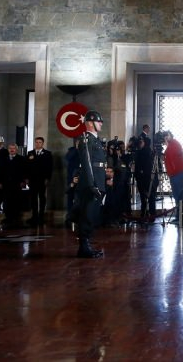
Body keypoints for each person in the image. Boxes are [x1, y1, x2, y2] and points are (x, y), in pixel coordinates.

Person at [74, 110, 110, 258]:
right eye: (98, 121)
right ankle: (84, 247)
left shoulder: (95, 140)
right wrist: (92, 184)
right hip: (90, 184)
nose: (101, 123)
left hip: (97, 181)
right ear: (90, 123)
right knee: (87, 215)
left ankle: (86, 245)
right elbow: (87, 163)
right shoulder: (86, 139)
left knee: (92, 215)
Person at [25, 136, 53, 226]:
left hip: (42, 180)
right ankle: (34, 216)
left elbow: (50, 167)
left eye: (39, 142)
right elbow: (27, 167)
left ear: (42, 143)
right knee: (33, 199)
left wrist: (47, 179)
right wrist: (26, 178)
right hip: (32, 180)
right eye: (36, 142)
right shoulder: (30, 153)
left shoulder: (47, 154)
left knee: (42, 198)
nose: (38, 144)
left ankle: (41, 217)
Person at [163, 131, 183, 219]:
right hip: (174, 174)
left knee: (180, 195)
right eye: (165, 136)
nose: (166, 137)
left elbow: (172, 155)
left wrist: (167, 146)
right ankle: (180, 217)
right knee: (177, 195)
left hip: (180, 173)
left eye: (167, 135)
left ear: (171, 135)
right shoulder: (170, 146)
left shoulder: (175, 144)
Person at [1, 143, 27, 228]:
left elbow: (24, 171)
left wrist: (23, 181)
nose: (12, 150)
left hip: (17, 183)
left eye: (13, 148)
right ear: (8, 149)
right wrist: (0, 182)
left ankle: (16, 217)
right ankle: (8, 217)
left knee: (16, 200)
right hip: (6, 183)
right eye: (10, 148)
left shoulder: (21, 159)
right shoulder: (4, 159)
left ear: (16, 149)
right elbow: (0, 171)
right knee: (7, 200)